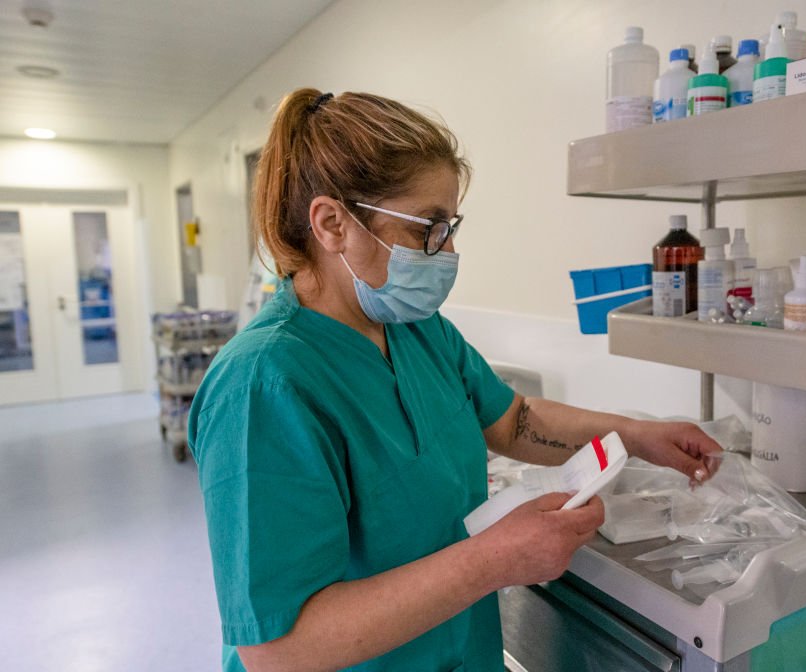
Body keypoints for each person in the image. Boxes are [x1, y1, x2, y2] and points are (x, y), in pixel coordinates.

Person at [188, 88, 722, 672]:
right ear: (332, 223)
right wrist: (491, 560)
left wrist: (633, 434)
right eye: (429, 228)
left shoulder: (416, 330)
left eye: (450, 227)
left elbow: (513, 420)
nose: (446, 251)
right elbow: (277, 649)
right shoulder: (263, 386)